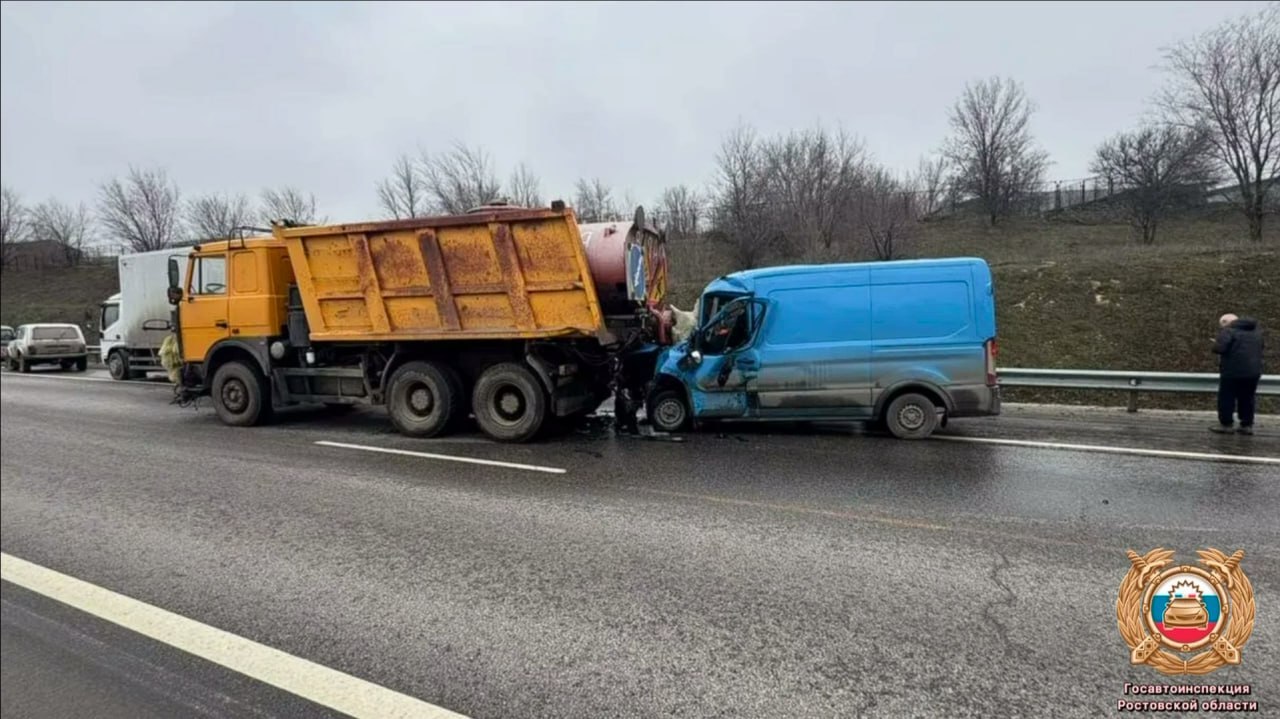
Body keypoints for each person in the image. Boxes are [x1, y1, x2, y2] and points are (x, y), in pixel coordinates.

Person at [1211, 313, 1264, 435]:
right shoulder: (1256, 332)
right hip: (1253, 372)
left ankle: (1226, 424)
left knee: (1227, 397)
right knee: (1247, 398)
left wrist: (1217, 342)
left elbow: (1219, 349)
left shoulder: (1229, 331)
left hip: (1232, 371)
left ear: (1225, 322)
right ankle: (1246, 425)